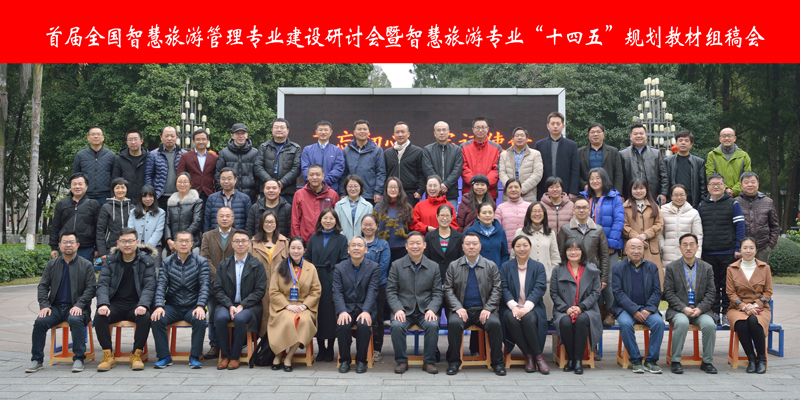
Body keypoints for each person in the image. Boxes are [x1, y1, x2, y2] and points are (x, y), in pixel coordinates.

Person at [26, 232, 96, 373]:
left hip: (77, 307)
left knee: (75, 320)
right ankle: (37, 359)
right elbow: (43, 286)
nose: (68, 245)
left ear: (77, 245)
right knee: (40, 322)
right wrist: (44, 306)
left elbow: (91, 288)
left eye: (71, 242)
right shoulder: (52, 265)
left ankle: (78, 358)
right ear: (59, 245)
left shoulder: (86, 265)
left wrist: (79, 305)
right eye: (65, 242)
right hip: (55, 308)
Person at [94, 228, 157, 371]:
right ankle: (108, 355)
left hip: (136, 304)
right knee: (99, 316)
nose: (127, 245)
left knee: (145, 316)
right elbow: (102, 284)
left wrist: (143, 305)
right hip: (114, 304)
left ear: (137, 242)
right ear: (118, 243)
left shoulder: (146, 261)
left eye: (130, 241)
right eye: (123, 241)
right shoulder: (110, 261)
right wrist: (103, 304)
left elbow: (149, 286)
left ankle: (136, 354)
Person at [443, 232, 506, 376]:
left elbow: (497, 289)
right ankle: (454, 362)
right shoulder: (454, 266)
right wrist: (458, 307)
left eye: (474, 244)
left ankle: (497, 362)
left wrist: (488, 308)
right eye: (468, 244)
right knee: (454, 323)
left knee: (495, 324)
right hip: (462, 309)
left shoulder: (491, 265)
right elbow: (448, 289)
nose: (471, 247)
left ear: (480, 246)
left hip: (484, 309)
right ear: (463, 247)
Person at [150, 231, 210, 369]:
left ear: (192, 244)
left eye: (187, 241)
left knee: (200, 319)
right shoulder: (167, 262)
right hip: (173, 306)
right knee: (157, 318)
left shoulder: (201, 262)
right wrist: (159, 306)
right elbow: (161, 285)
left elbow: (205, 286)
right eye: (180, 241)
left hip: (193, 306)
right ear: (175, 244)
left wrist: (200, 306)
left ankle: (195, 356)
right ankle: (164, 356)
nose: (183, 244)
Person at [387, 231, 443, 374]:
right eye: (411, 243)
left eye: (418, 243)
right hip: (404, 310)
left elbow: (438, 293)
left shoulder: (433, 266)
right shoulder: (396, 265)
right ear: (406, 246)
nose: (415, 246)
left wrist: (432, 309)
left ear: (424, 245)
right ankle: (401, 361)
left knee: (432, 325)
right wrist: (398, 309)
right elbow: (391, 291)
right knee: (396, 325)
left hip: (425, 310)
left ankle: (429, 361)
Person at [663, 233, 717, 374]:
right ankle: (675, 361)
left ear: (697, 247)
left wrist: (700, 309)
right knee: (682, 323)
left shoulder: (707, 267)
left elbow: (711, 293)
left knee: (710, 325)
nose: (688, 248)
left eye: (692, 244)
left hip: (701, 310)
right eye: (685, 245)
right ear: (680, 248)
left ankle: (707, 362)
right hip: (679, 310)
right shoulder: (672, 267)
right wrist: (683, 308)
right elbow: (668, 293)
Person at [213, 230, 267, 370]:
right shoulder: (224, 264)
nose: (240, 244)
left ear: (249, 243)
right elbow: (217, 289)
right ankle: (225, 356)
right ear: (232, 244)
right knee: (220, 318)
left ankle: (235, 357)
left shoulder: (257, 265)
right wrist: (229, 305)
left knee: (239, 319)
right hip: (228, 304)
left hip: (250, 306)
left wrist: (243, 305)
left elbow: (260, 290)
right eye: (237, 241)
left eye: (243, 241)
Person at [698, 173, 746, 327]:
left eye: (719, 184)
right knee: (711, 285)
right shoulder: (702, 205)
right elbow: (698, 229)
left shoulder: (733, 204)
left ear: (724, 187)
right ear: (708, 187)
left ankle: (726, 313)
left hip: (728, 251)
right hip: (708, 253)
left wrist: (738, 248)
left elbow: (740, 227)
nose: (716, 187)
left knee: (727, 285)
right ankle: (713, 313)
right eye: (713, 184)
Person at [268, 236, 322, 372]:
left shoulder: (311, 268)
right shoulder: (280, 267)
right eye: (293, 248)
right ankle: (278, 354)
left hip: (304, 306)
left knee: (304, 321)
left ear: (304, 250)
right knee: (287, 319)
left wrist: (304, 306)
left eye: (299, 248)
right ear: (288, 249)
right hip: (283, 306)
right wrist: (287, 305)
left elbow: (316, 291)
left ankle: (288, 356)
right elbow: (273, 291)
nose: (296, 251)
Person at [611, 238, 664, 374]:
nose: (636, 251)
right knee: (625, 324)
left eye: (639, 248)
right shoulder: (618, 268)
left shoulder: (652, 267)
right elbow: (618, 293)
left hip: (647, 308)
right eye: (632, 248)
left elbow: (657, 291)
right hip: (625, 309)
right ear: (626, 250)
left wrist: (648, 309)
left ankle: (651, 361)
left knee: (658, 323)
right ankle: (635, 360)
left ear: (643, 250)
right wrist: (634, 310)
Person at [550, 239, 602, 375]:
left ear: (582, 251)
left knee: (582, 320)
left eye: (577, 249)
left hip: (587, 309)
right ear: (565, 252)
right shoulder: (558, 270)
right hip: (564, 309)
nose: (573, 252)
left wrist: (581, 307)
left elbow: (596, 292)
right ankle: (571, 359)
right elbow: (554, 293)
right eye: (569, 249)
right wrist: (566, 308)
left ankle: (578, 360)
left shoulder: (591, 268)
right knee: (565, 322)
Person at [557, 198, 611, 326]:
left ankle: (593, 337)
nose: (581, 210)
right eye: (578, 207)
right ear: (573, 210)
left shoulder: (598, 229)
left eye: (584, 207)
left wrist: (603, 278)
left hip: (591, 275)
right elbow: (560, 254)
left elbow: (604, 255)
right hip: (571, 275)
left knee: (590, 309)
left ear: (589, 210)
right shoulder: (565, 229)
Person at [305, 209, 349, 362]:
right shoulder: (313, 238)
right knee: (318, 312)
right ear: (320, 220)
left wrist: (335, 271)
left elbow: (345, 259)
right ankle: (320, 347)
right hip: (315, 278)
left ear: (336, 221)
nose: (328, 221)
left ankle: (330, 347)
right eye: (325, 218)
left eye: (331, 218)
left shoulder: (341, 239)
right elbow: (307, 258)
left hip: (332, 279)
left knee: (330, 314)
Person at [500, 236, 549, 374]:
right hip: (511, 307)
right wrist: (514, 307)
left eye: (525, 245)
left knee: (528, 318)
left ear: (530, 247)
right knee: (511, 318)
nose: (522, 249)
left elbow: (539, 288)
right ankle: (529, 355)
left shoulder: (538, 267)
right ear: (513, 249)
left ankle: (538, 356)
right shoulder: (505, 267)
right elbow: (503, 288)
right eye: (518, 246)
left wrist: (526, 307)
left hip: (533, 307)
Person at [333, 236, 380, 374]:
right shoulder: (339, 267)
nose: (356, 248)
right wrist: (342, 311)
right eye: (353, 245)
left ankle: (361, 360)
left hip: (365, 308)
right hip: (346, 308)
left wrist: (366, 310)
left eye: (360, 245)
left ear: (366, 249)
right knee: (342, 325)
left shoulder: (374, 267)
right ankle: (344, 360)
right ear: (348, 250)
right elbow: (337, 292)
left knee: (364, 325)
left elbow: (373, 291)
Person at [726, 237, 773, 374]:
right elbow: (730, 293)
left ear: (756, 250)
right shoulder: (732, 268)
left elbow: (768, 291)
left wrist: (755, 305)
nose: (748, 251)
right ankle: (751, 359)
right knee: (741, 322)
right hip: (737, 307)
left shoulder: (764, 267)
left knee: (754, 321)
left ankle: (762, 359)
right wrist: (744, 306)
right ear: (740, 250)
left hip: (760, 307)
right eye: (745, 248)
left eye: (751, 248)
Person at [198, 206, 237, 360]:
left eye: (228, 216)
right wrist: (218, 276)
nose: (225, 218)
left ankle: (234, 343)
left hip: (234, 284)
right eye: (222, 216)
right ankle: (214, 344)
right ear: (217, 218)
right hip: (213, 283)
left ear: (233, 219)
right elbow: (204, 258)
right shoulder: (207, 236)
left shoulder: (238, 236)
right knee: (213, 314)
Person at [514, 202, 560, 319]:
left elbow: (555, 257)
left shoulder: (550, 233)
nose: (537, 214)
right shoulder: (520, 232)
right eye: (534, 211)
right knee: (527, 315)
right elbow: (513, 257)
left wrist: (553, 276)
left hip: (547, 280)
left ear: (544, 214)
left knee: (547, 316)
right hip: (525, 280)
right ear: (529, 214)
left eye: (540, 211)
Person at [249, 211, 289, 337]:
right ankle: (263, 345)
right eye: (266, 222)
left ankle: (277, 344)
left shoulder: (285, 242)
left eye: (272, 222)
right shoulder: (253, 243)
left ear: (276, 224)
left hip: (279, 289)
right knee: (262, 318)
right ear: (261, 223)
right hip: (259, 289)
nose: (269, 224)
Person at [49, 173, 101, 262]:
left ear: (86, 186)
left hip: (86, 248)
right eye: (74, 184)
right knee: (65, 270)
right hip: (66, 248)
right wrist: (53, 247)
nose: (77, 187)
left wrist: (97, 248)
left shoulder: (93, 204)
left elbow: (98, 228)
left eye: (80, 184)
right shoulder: (61, 204)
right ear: (70, 186)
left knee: (85, 270)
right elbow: (55, 227)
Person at [623, 178, 665, 285]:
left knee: (652, 280)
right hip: (632, 248)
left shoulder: (654, 205)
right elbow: (623, 225)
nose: (638, 191)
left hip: (650, 248)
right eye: (635, 188)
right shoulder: (625, 207)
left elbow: (659, 224)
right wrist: (637, 238)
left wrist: (646, 235)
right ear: (630, 190)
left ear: (646, 190)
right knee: (632, 281)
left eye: (641, 188)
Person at [362, 215, 390, 361]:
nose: (368, 227)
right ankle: (363, 346)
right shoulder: (357, 242)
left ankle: (377, 349)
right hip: (359, 288)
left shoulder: (383, 245)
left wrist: (366, 280)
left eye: (371, 224)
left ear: (377, 226)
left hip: (379, 286)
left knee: (377, 319)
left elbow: (383, 267)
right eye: (365, 224)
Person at [254, 118, 302, 205]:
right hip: (267, 190)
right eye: (276, 127)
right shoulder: (264, 147)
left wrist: (281, 183)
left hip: (287, 191)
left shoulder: (295, 148)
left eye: (282, 127)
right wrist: (271, 184)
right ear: (272, 130)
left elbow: (296, 169)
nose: (279, 130)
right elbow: (258, 167)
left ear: (287, 130)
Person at [534, 112, 580, 201]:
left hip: (565, 190)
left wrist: (573, 191)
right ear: (548, 126)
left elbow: (575, 169)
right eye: (552, 124)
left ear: (563, 126)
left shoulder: (572, 145)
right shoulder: (539, 145)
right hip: (543, 189)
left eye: (558, 124)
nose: (555, 126)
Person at [736, 172, 780, 263]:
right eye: (746, 182)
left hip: (762, 248)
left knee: (761, 272)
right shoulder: (735, 202)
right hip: (741, 250)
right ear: (741, 186)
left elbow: (775, 226)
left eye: (753, 182)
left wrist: (769, 246)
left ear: (758, 184)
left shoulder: (768, 202)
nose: (750, 185)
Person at [619, 124, 668, 204]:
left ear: (646, 136)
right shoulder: (623, 154)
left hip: (652, 195)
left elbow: (664, 175)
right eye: (635, 134)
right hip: (629, 196)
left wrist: (663, 193)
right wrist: (620, 194)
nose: (638, 136)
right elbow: (619, 177)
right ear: (631, 137)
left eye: (641, 133)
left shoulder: (656, 153)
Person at [340, 120, 386, 204]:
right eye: (359, 129)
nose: (362, 131)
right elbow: (343, 173)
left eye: (365, 129)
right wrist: (342, 192)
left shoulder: (377, 150)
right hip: (351, 194)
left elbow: (381, 172)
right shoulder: (347, 150)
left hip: (370, 195)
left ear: (368, 132)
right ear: (354, 132)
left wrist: (378, 192)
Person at [291, 164, 340, 242]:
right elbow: (295, 220)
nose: (314, 177)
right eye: (311, 175)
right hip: (305, 240)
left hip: (328, 240)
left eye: (318, 174)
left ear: (323, 176)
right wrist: (298, 242)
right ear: (307, 176)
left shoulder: (332, 194)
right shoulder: (299, 194)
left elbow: (337, 220)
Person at [422, 121, 463, 210]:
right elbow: (428, 169)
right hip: (432, 193)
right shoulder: (427, 150)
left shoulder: (457, 150)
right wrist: (438, 185)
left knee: (450, 218)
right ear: (434, 133)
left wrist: (446, 184)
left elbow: (457, 170)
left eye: (444, 130)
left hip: (451, 193)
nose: (441, 132)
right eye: (438, 130)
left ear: (449, 132)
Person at [384, 121, 426, 207]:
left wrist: (421, 191)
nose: (400, 135)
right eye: (397, 132)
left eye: (403, 132)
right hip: (391, 194)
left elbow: (422, 173)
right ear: (394, 135)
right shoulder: (387, 153)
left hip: (411, 194)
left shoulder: (417, 151)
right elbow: (383, 173)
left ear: (408, 134)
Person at [660, 184, 703, 266]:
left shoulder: (693, 213)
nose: (679, 198)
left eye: (682, 195)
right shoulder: (663, 211)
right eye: (676, 195)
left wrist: (697, 254)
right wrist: (662, 246)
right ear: (671, 197)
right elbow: (659, 232)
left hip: (688, 252)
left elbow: (698, 235)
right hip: (668, 252)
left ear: (686, 196)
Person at [145, 126, 186, 211]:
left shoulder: (184, 154)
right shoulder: (153, 155)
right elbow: (148, 176)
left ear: (176, 138)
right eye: (166, 136)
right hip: (160, 196)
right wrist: (150, 194)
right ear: (161, 138)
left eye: (172, 136)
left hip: (179, 196)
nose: (169, 138)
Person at [216, 123, 260, 202]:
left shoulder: (255, 153)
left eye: (243, 133)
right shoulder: (224, 153)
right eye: (237, 134)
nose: (241, 136)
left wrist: (257, 191)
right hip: (229, 195)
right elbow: (218, 173)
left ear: (247, 135)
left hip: (250, 196)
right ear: (232, 136)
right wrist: (221, 190)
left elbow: (258, 174)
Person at [662, 130, 707, 208]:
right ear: (676, 143)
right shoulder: (667, 161)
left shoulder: (699, 162)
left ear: (691, 144)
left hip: (692, 201)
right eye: (680, 140)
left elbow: (702, 184)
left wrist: (702, 202)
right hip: (673, 200)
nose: (683, 143)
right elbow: (664, 181)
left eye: (686, 141)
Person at [374, 177, 414, 263]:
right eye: (390, 187)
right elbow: (374, 227)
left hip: (402, 249)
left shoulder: (407, 207)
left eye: (395, 187)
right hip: (382, 248)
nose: (393, 190)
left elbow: (411, 228)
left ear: (400, 189)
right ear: (386, 189)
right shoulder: (378, 207)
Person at [461, 117, 502, 200]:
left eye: (483, 127)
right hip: (469, 193)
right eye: (477, 127)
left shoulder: (496, 148)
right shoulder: (463, 147)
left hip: (489, 193)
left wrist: (484, 184)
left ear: (487, 129)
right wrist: (475, 184)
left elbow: (497, 170)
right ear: (473, 129)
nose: (480, 130)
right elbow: (463, 168)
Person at [73, 126, 116, 205]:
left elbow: (114, 176)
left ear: (103, 138)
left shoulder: (111, 155)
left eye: (98, 134)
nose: (96, 136)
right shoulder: (80, 155)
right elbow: (75, 175)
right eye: (93, 134)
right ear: (88, 138)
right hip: (85, 195)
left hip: (105, 195)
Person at [499, 127, 543, 202]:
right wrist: (511, 188)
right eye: (517, 135)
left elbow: (537, 174)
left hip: (528, 196)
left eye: (522, 135)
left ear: (527, 138)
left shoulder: (535, 154)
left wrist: (521, 189)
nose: (519, 137)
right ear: (512, 139)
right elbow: (502, 173)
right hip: (509, 196)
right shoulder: (504, 155)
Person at [424, 204, 465, 282]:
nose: (445, 218)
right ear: (437, 217)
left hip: (454, 279)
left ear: (452, 217)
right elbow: (426, 259)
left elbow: (462, 259)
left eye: (447, 216)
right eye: (442, 215)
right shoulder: (429, 237)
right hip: (434, 279)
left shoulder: (459, 237)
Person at [706, 128, 752, 197]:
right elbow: (710, 174)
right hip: (718, 195)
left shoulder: (744, 155)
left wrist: (734, 190)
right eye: (724, 136)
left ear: (735, 138)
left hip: (740, 196)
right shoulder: (712, 155)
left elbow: (747, 176)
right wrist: (725, 188)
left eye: (729, 136)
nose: (726, 138)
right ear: (720, 139)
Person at [301, 120, 346, 192]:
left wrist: (323, 182)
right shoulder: (307, 150)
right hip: (311, 190)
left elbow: (338, 169)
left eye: (326, 130)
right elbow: (305, 168)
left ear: (331, 132)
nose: (323, 132)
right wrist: (315, 181)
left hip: (330, 190)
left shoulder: (337, 150)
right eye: (320, 130)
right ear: (316, 132)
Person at [128, 185, 165, 270]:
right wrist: (136, 245)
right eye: (144, 196)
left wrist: (148, 247)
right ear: (140, 198)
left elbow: (158, 232)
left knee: (154, 272)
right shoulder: (133, 212)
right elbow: (131, 230)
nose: (148, 199)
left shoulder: (161, 212)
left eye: (150, 196)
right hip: (135, 247)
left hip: (154, 248)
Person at [579, 123, 624, 194]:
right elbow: (576, 173)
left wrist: (617, 193)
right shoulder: (580, 152)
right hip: (587, 192)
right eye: (592, 132)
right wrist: (584, 185)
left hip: (609, 191)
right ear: (588, 134)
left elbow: (618, 174)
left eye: (598, 132)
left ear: (603, 134)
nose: (595, 134)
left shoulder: (613, 151)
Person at [164, 172, 204, 252]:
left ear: (190, 184)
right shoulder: (171, 202)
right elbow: (167, 224)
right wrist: (169, 240)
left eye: (185, 182)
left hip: (191, 244)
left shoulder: (197, 202)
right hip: (173, 244)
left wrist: (181, 240)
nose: (182, 184)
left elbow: (196, 223)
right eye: (179, 182)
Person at [177, 128, 218, 204]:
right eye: (198, 139)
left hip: (209, 194)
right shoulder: (185, 157)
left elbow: (217, 176)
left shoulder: (214, 158)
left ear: (207, 141)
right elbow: (180, 175)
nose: (201, 142)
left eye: (203, 139)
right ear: (193, 141)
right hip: (190, 194)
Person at [464, 203, 509, 271]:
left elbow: (504, 255)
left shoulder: (501, 232)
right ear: (478, 216)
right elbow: (464, 253)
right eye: (484, 213)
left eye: (490, 213)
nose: (487, 215)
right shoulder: (470, 231)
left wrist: (501, 270)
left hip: (496, 272)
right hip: (475, 272)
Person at [97, 178, 133, 262]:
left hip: (129, 247)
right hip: (110, 248)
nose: (120, 190)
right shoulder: (106, 207)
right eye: (117, 188)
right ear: (113, 190)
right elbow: (100, 230)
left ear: (127, 189)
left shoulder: (132, 208)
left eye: (123, 187)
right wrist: (102, 252)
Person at [204, 168, 252, 232]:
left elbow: (249, 222)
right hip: (216, 236)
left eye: (229, 179)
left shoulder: (245, 198)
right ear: (219, 180)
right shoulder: (212, 198)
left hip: (238, 235)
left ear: (235, 180)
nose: (226, 181)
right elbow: (206, 222)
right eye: (223, 179)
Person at [113, 128, 149, 201]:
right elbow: (115, 180)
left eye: (136, 139)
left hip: (144, 198)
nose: (133, 142)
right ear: (127, 142)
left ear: (141, 141)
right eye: (130, 140)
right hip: (125, 199)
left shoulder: (149, 158)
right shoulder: (120, 159)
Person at [496, 178, 531, 253]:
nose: (513, 190)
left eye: (516, 187)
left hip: (526, 248)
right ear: (506, 190)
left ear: (520, 189)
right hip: (507, 248)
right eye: (510, 187)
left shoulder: (529, 206)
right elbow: (497, 229)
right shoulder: (500, 208)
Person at [334, 175, 374, 240]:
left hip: (362, 242)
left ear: (361, 187)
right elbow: (336, 225)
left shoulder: (368, 206)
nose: (353, 189)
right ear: (345, 188)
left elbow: (369, 226)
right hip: (342, 241)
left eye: (356, 186)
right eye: (350, 186)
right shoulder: (338, 205)